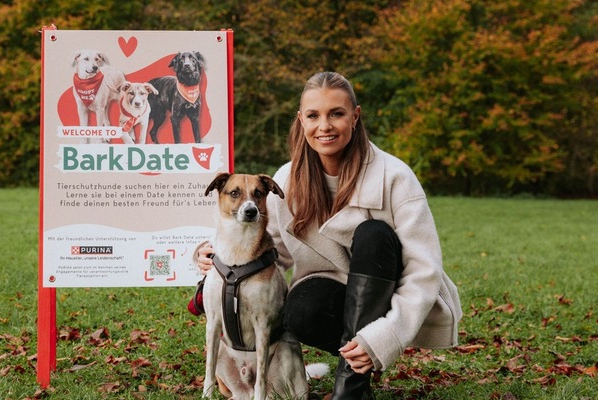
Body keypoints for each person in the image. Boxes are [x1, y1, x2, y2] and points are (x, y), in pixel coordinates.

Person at [195, 71, 461, 399]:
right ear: (300, 120)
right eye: (313, 115)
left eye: (336, 113)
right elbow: (268, 248)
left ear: (355, 116)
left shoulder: (395, 177)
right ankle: (354, 362)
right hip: (333, 297)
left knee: (374, 234)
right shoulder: (288, 179)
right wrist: (214, 256)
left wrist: (383, 336)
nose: (324, 126)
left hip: (391, 302)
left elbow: (425, 270)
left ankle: (352, 387)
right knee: (299, 311)